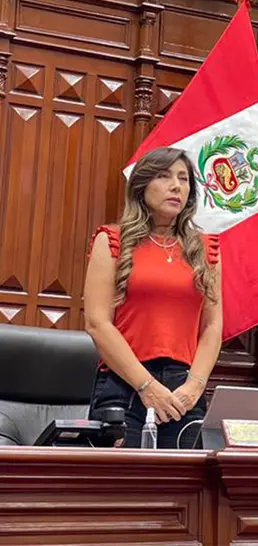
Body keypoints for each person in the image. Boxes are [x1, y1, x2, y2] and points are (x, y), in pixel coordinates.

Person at [84, 147, 222, 449]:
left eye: (184, 179)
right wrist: (146, 385)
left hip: (184, 390)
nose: (177, 186)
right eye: (164, 176)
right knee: (125, 490)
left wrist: (194, 386)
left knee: (186, 493)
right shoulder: (112, 240)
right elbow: (96, 322)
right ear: (142, 186)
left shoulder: (206, 249)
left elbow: (212, 327)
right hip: (124, 384)